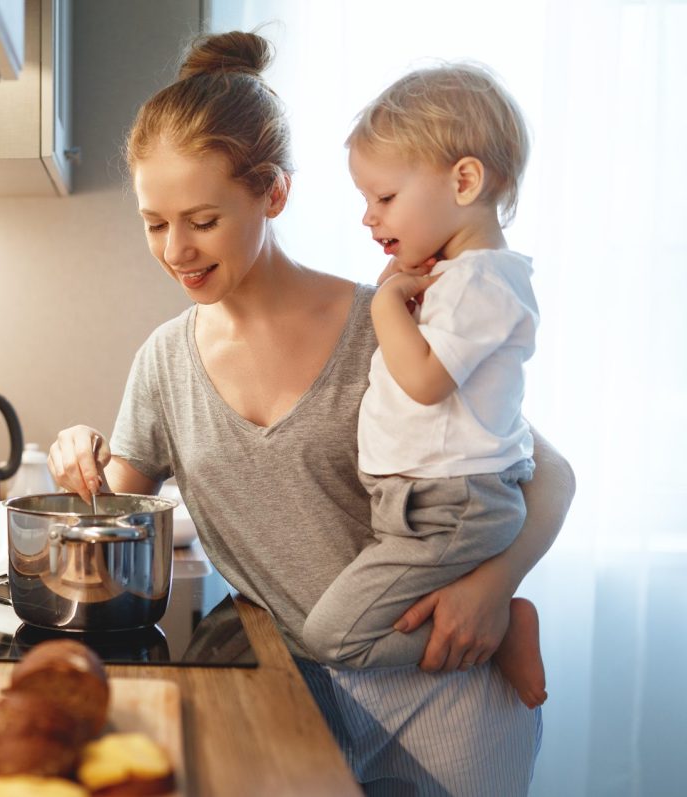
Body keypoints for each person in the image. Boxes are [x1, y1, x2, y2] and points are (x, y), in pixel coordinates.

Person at [47, 31, 574, 796]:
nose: (177, 251)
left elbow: (547, 473)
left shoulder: (389, 320)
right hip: (301, 698)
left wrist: (496, 589)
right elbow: (111, 512)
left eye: (202, 219)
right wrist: (78, 452)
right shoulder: (165, 362)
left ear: (273, 195)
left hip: (451, 682)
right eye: (154, 222)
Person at [299, 64, 548, 710]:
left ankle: (498, 636)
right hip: (423, 504)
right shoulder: (460, 281)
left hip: (450, 505)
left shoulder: (482, 282)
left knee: (333, 635)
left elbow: (426, 382)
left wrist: (384, 306)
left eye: (383, 198)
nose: (367, 217)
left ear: (464, 180)